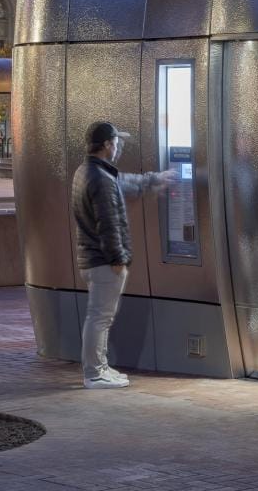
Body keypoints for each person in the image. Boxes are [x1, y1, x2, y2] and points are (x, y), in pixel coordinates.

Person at [72, 120, 175, 389]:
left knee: (100, 317)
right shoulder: (100, 179)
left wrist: (155, 179)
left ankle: (101, 367)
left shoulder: (89, 172)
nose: (118, 147)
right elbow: (108, 223)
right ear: (106, 145)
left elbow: (124, 182)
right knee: (100, 317)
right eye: (116, 142)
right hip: (104, 262)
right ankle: (94, 374)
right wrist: (117, 259)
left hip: (92, 259)